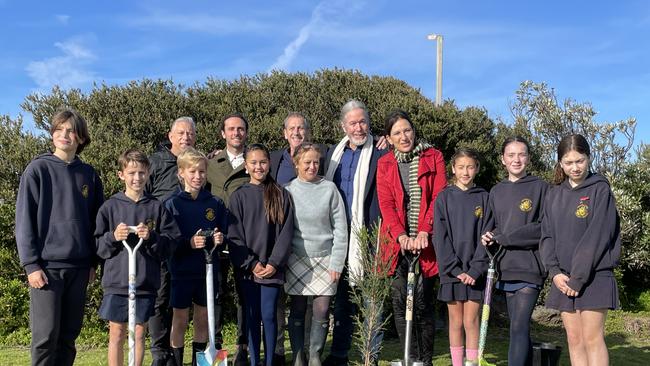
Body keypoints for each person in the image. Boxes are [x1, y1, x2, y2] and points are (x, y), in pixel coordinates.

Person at [15, 109, 104, 366]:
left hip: (79, 268)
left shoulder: (89, 174)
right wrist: (31, 265)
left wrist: (92, 262)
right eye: (59, 129)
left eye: (71, 130)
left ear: (81, 138)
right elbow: (24, 222)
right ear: (52, 133)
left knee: (68, 337)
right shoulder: (37, 169)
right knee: (45, 338)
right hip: (46, 269)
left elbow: (96, 223)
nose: (64, 135)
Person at [95, 149, 181, 366]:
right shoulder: (110, 207)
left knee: (140, 332)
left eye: (141, 173)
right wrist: (113, 237)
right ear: (121, 174)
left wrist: (151, 237)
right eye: (131, 172)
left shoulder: (156, 207)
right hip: (117, 281)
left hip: (144, 282)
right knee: (116, 333)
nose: (137, 178)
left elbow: (171, 243)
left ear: (148, 173)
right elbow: (97, 245)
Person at [540, 134, 620, 366]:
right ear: (560, 163)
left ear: (589, 158)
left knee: (592, 339)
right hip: (563, 279)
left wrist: (578, 278)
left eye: (580, 161)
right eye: (568, 162)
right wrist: (555, 272)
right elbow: (546, 236)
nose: (574, 167)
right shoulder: (554, 194)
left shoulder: (600, 190)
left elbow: (598, 236)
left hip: (594, 276)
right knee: (574, 340)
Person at [376, 110, 447, 366]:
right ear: (389, 137)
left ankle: (425, 360)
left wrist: (425, 231)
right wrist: (401, 235)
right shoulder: (385, 163)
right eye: (397, 133)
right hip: (398, 244)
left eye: (407, 130)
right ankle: (410, 357)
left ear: (414, 131)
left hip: (426, 243)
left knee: (423, 303)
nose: (404, 136)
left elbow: (438, 196)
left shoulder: (434, 156)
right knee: (399, 301)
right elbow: (386, 204)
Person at [481, 136, 548, 366]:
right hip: (505, 268)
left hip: (530, 267)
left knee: (519, 327)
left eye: (521, 154)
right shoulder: (496, 191)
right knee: (519, 329)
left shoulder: (540, 187)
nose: (516, 159)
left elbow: (543, 228)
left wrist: (506, 238)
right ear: (502, 159)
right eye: (511, 155)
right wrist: (489, 237)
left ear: (528, 158)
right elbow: (493, 227)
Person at [269, 112, 327, 365]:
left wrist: (380, 138)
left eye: (301, 128)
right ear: (284, 133)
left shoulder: (322, 157)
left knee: (309, 305)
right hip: (281, 243)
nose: (296, 132)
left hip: (316, 247)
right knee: (284, 303)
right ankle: (283, 352)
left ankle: (306, 354)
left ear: (308, 132)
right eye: (291, 128)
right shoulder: (273, 159)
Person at [228, 144, 295, 366]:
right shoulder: (238, 197)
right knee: (252, 317)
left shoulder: (280, 194)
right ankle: (254, 361)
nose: (259, 167)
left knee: (269, 316)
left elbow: (286, 233)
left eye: (263, 162)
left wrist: (274, 263)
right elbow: (234, 236)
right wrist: (251, 263)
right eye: (254, 163)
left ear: (269, 164)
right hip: (248, 271)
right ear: (246, 166)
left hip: (272, 270)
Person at [284, 143, 348, 366]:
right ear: (296, 163)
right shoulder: (288, 191)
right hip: (296, 259)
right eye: (307, 162)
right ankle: (298, 356)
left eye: (316, 162)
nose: (312, 167)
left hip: (326, 259)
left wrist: (337, 262)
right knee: (298, 310)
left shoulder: (329, 189)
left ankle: (314, 357)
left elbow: (341, 228)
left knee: (321, 310)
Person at [164, 148, 227, 366]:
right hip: (181, 271)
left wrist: (220, 238)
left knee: (203, 319)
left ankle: (199, 363)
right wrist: (188, 243)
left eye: (201, 171)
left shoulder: (215, 203)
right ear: (181, 173)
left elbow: (225, 233)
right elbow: (168, 240)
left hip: (207, 271)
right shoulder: (172, 204)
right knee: (180, 319)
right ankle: (177, 362)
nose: (197, 176)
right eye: (192, 171)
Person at [146, 116, 197, 366]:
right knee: (160, 298)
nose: (185, 137)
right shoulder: (155, 163)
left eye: (189, 133)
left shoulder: (198, 162)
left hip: (189, 246)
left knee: (183, 303)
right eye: (180, 133)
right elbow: (142, 200)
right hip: (162, 245)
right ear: (170, 136)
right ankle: (160, 352)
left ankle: (182, 352)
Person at [433, 148, 489, 366]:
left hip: (476, 273)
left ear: (477, 169)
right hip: (452, 272)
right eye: (461, 167)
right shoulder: (444, 198)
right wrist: (455, 270)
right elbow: (441, 237)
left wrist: (475, 270)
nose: (466, 172)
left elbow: (487, 235)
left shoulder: (484, 197)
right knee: (456, 322)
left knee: (471, 320)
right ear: (453, 169)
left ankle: (472, 363)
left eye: (470, 167)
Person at [206, 113, 250, 364]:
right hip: (216, 239)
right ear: (223, 134)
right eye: (231, 129)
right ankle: (217, 348)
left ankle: (243, 346)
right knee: (215, 294)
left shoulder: (254, 162)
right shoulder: (211, 163)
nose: (236, 133)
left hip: (244, 238)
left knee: (244, 294)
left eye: (241, 129)